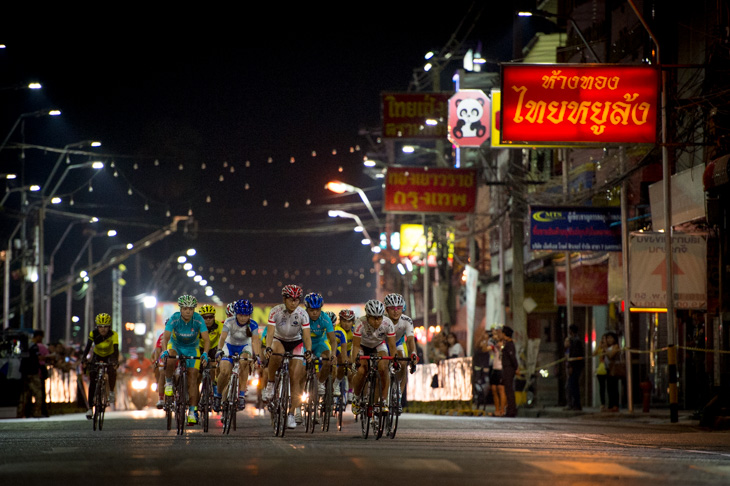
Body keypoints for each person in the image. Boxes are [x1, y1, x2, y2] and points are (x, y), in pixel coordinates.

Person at [262, 284, 313, 430]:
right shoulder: (275, 311)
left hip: (296, 341)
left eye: (297, 300)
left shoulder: (303, 314)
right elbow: (270, 332)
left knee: (296, 377)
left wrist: (308, 350)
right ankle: (271, 383)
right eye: (291, 300)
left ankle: (291, 414)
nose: (294, 303)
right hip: (279, 339)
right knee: (276, 355)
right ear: (284, 299)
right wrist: (268, 347)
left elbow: (307, 336)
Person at [160, 294, 210, 425]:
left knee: (193, 378)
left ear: (194, 310)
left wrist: (205, 353)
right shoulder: (174, 318)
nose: (188, 311)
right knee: (170, 358)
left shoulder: (198, 319)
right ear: (180, 309)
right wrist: (164, 350)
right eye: (185, 308)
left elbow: (206, 339)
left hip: (192, 348)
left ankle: (192, 411)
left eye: (191, 309)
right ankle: (169, 382)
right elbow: (165, 337)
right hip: (176, 345)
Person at [349, 299, 398, 414]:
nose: (377, 321)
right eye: (373, 318)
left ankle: (383, 401)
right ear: (367, 317)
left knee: (384, 367)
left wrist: (395, 359)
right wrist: (354, 361)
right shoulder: (360, 323)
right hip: (362, 346)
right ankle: (356, 398)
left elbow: (392, 345)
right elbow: (355, 345)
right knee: (362, 370)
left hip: (378, 345)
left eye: (379, 318)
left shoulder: (388, 323)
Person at [216, 299, 261, 411]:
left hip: (244, 347)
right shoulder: (229, 322)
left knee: (244, 362)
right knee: (225, 371)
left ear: (249, 315)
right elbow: (222, 338)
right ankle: (218, 395)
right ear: (236, 313)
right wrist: (219, 350)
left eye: (246, 316)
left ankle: (241, 395)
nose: (242, 318)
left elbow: (255, 341)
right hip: (229, 346)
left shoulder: (253, 324)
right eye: (240, 315)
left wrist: (257, 356)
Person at [81, 313, 120, 419]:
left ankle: (111, 391)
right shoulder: (93, 333)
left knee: (112, 371)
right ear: (97, 327)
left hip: (110, 355)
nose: (103, 329)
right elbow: (88, 347)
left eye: (106, 326)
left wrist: (115, 361)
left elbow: (116, 350)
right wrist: (83, 358)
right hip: (97, 356)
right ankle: (90, 409)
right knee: (93, 381)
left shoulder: (114, 335)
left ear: (109, 327)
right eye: (100, 326)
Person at [383, 293, 418, 402]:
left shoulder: (406, 321)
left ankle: (398, 389)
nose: (396, 311)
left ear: (403, 308)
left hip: (398, 343)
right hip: (383, 343)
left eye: (399, 308)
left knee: (403, 362)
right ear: (386, 310)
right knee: (382, 366)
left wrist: (413, 353)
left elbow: (411, 340)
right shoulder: (382, 320)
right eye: (392, 308)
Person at [303, 293, 337, 401]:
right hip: (303, 343)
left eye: (317, 310)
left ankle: (320, 382)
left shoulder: (325, 319)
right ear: (306, 309)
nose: (314, 313)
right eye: (311, 310)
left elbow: (332, 340)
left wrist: (333, 354)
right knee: (299, 366)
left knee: (327, 359)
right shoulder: (301, 316)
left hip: (318, 344)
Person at [17, 330, 48, 418]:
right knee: (38, 394)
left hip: (24, 372)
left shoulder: (26, 345)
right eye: (41, 337)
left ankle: (21, 413)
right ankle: (36, 412)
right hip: (33, 372)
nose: (41, 339)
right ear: (38, 336)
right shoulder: (34, 346)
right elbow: (37, 358)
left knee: (25, 394)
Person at [198, 304, 222, 403]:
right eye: (205, 317)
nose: (208, 319)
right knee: (197, 373)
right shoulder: (197, 326)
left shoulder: (219, 325)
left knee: (213, 366)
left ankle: (214, 386)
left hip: (213, 348)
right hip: (200, 348)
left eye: (210, 317)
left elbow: (224, 338)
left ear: (214, 317)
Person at [564, 324, 585, 411]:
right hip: (576, 366)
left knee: (573, 385)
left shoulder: (576, 342)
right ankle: (573, 404)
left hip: (576, 367)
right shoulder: (574, 341)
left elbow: (575, 355)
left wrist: (571, 366)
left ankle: (576, 404)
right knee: (572, 385)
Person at [500, 326, 519, 417]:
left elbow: (512, 357)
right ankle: (510, 409)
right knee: (508, 390)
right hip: (507, 368)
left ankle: (512, 410)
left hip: (509, 368)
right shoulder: (507, 344)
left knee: (509, 390)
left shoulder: (510, 344)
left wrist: (516, 368)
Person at [488, 327, 506, 417]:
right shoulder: (493, 343)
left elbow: (501, 347)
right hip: (494, 368)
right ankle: (497, 409)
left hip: (501, 368)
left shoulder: (503, 343)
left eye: (497, 333)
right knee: (494, 389)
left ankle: (502, 410)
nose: (495, 335)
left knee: (501, 389)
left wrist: (497, 341)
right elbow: (486, 348)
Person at [605, 331, 622, 412]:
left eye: (610, 338)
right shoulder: (607, 347)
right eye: (607, 338)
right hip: (608, 369)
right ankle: (610, 405)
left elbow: (611, 355)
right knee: (609, 387)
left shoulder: (616, 346)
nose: (609, 340)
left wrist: (606, 350)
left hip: (614, 369)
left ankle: (615, 405)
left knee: (614, 387)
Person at [593, 334, 609, 411]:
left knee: (609, 387)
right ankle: (602, 404)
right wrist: (599, 346)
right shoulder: (600, 348)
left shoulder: (609, 348)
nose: (604, 341)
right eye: (602, 339)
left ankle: (610, 403)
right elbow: (594, 353)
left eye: (605, 339)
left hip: (607, 368)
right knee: (602, 388)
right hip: (600, 370)